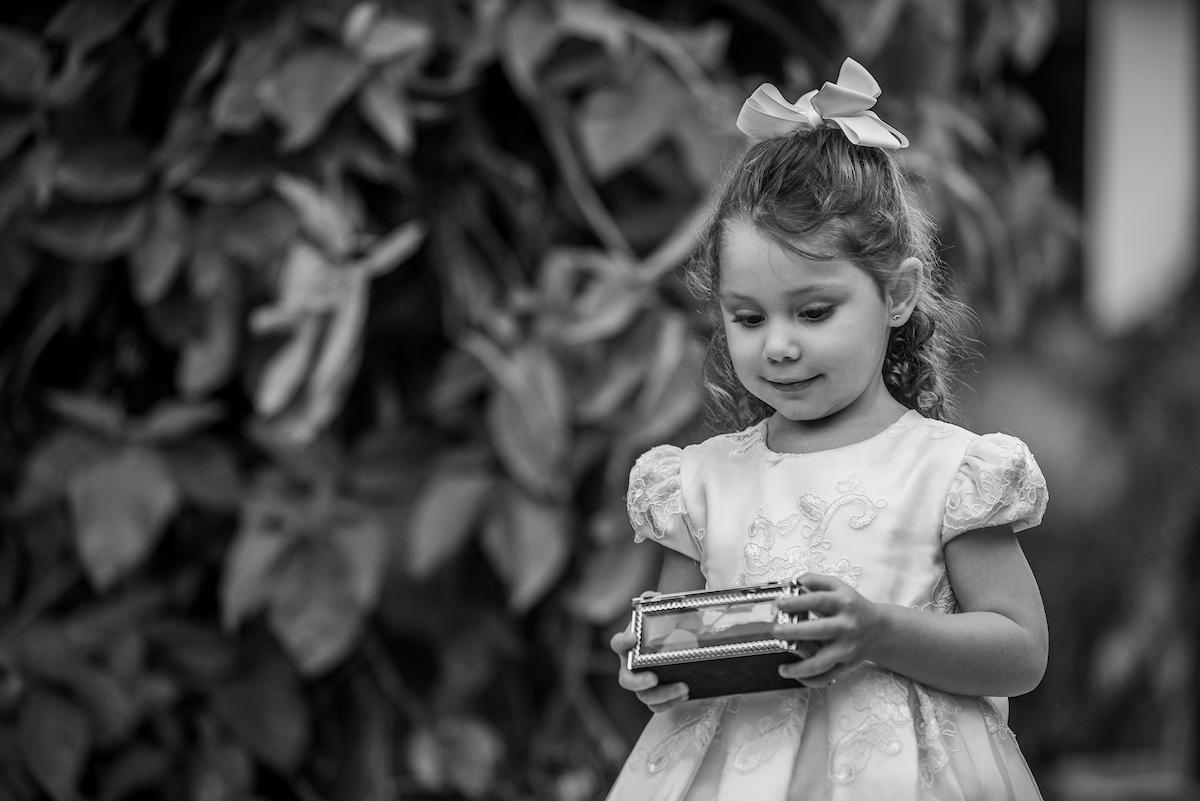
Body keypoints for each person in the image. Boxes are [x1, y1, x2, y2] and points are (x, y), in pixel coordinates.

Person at [605, 58, 1049, 801]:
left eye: (813, 312)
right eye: (748, 317)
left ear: (898, 294)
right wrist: (659, 667)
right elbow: (686, 642)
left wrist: (880, 631)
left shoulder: (948, 472)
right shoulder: (697, 481)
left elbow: (1020, 650)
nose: (779, 343)